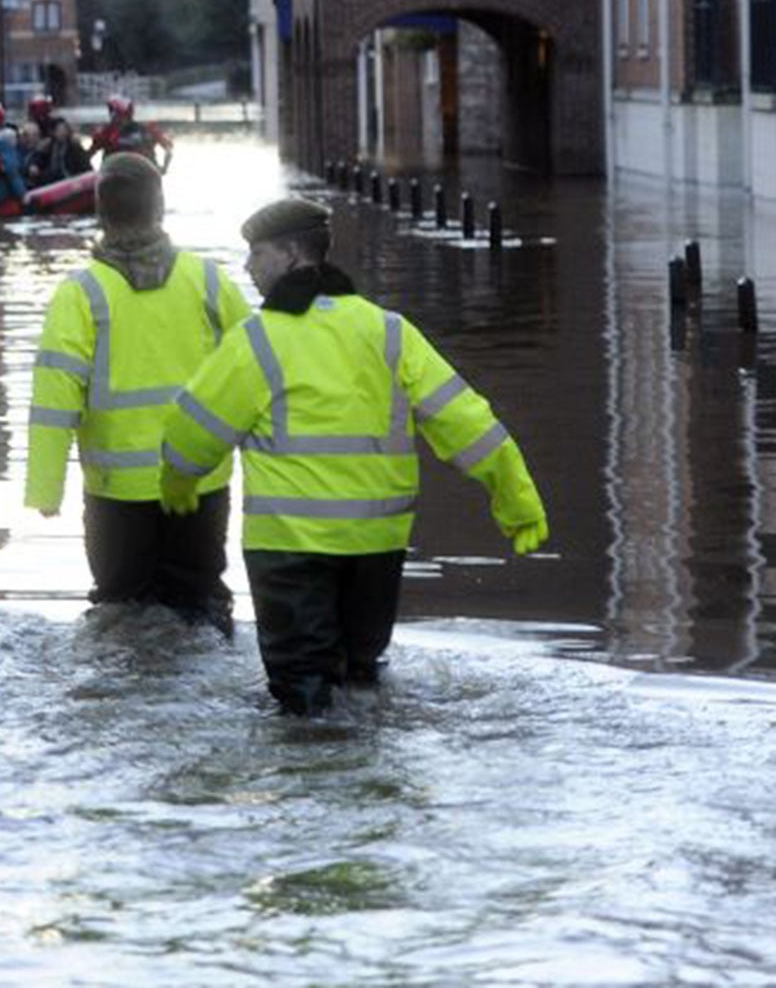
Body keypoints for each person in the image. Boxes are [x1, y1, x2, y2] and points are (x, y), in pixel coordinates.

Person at [159, 196, 551, 715]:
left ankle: (319, 780)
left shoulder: (256, 341)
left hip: (290, 550)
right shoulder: (390, 332)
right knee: (361, 683)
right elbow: (467, 422)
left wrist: (178, 480)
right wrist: (515, 497)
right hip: (377, 548)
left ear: (292, 256)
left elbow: (191, 431)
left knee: (304, 700)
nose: (249, 267)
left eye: (257, 254)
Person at [24, 154, 249, 632]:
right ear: (160, 205)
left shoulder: (80, 293)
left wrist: (45, 488)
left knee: (120, 613)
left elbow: (54, 399)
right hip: (198, 484)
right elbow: (256, 373)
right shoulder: (208, 280)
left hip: (115, 492)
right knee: (202, 608)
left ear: (100, 213)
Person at [89, 95, 173, 171]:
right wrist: (164, 168)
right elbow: (168, 149)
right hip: (144, 175)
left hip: (115, 176)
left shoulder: (105, 133)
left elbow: (87, 156)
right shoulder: (149, 130)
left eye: (113, 113)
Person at [26, 115, 92, 188]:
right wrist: (34, 165)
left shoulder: (74, 146)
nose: (62, 133)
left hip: (71, 179)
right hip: (52, 181)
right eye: (59, 130)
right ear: (53, 132)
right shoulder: (49, 146)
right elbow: (39, 158)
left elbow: (85, 166)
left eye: (64, 130)